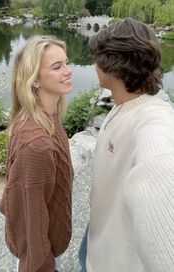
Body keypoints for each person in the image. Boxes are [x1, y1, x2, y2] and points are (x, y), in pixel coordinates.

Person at [79, 18, 174, 272]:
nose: (93, 64)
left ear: (113, 65)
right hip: (97, 239)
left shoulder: (154, 119)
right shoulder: (122, 104)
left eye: (97, 57)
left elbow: (160, 169)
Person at [0, 35, 74, 272]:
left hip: (51, 243)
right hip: (41, 258)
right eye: (57, 66)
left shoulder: (48, 116)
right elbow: (32, 225)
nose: (68, 71)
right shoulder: (36, 144)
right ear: (35, 80)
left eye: (67, 63)